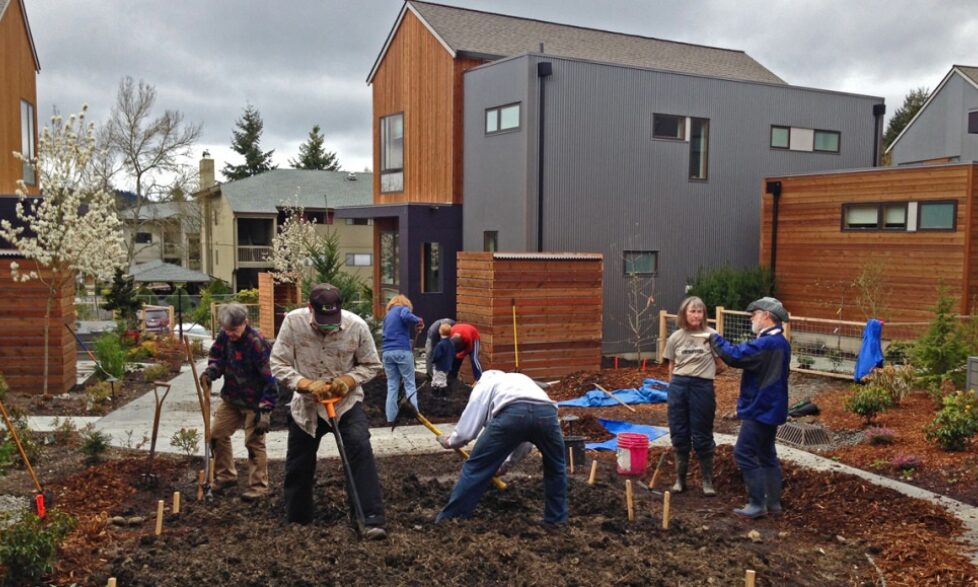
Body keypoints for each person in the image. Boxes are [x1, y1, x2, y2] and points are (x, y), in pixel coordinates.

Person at [270, 283, 387, 539]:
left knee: (359, 449)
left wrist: (347, 380)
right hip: (307, 407)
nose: (328, 325)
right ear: (310, 308)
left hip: (345, 404)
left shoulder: (356, 326)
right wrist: (304, 384)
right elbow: (278, 363)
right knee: (299, 463)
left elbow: (371, 364)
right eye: (322, 319)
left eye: (332, 320)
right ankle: (298, 520)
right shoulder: (293, 323)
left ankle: (370, 519)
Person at [435, 370, 567, 526]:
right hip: (547, 414)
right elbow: (525, 440)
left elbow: (471, 424)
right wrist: (506, 464)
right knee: (556, 468)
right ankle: (556, 521)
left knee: (476, 466)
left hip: (512, 413)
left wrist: (452, 441)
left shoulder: (486, 383)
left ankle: (452, 519)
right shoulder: (521, 382)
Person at [706, 296, 791, 519]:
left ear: (767, 316)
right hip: (771, 408)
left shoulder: (767, 344)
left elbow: (734, 356)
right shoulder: (781, 342)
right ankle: (773, 504)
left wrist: (714, 336)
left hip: (760, 408)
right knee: (766, 454)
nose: (752, 318)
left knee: (743, 453)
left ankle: (756, 504)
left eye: (755, 314)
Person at [199, 303, 277, 501]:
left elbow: (271, 379)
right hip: (232, 398)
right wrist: (211, 372)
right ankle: (226, 476)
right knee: (216, 435)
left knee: (253, 442)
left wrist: (265, 409)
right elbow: (217, 358)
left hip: (255, 402)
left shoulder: (257, 343)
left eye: (234, 330)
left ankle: (258, 486)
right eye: (226, 329)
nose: (230, 333)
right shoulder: (224, 336)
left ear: (245, 323)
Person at [662, 296, 722, 496]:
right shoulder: (675, 338)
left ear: (704, 314)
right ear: (684, 314)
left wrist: (705, 374)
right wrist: (673, 388)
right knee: (679, 432)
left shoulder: (712, 335)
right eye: (692, 311)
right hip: (679, 386)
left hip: (702, 388)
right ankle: (680, 480)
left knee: (702, 433)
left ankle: (707, 481)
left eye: (699, 312)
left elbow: (722, 363)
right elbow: (670, 366)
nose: (696, 315)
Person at [382, 294, 424, 423]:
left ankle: (390, 418)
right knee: (410, 384)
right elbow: (406, 316)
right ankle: (415, 416)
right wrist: (419, 320)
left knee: (392, 386)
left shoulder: (387, 316)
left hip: (387, 353)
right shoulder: (402, 308)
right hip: (402, 351)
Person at [430, 323, 455, 392]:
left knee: (439, 382)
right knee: (442, 378)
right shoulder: (451, 343)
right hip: (447, 366)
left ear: (440, 331)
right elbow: (453, 354)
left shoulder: (440, 344)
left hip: (440, 366)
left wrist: (433, 360)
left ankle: (439, 395)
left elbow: (436, 355)